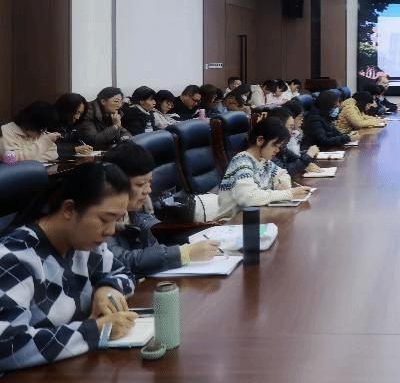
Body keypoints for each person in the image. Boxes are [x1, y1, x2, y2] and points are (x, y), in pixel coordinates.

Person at [0, 163, 138, 370]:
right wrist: (95, 330)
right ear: (69, 209)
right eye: (105, 219)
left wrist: (107, 289)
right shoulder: (14, 257)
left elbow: (123, 272)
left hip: (76, 368)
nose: (110, 231)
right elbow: (7, 344)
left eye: (117, 220)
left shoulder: (84, 243)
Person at [103, 142, 219, 276]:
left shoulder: (136, 210)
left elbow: (152, 245)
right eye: (140, 184)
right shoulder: (102, 216)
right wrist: (185, 253)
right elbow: (122, 261)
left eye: (149, 182)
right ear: (116, 183)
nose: (148, 190)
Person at [216, 117, 312, 220]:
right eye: (275, 145)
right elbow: (248, 198)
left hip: (254, 219)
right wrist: (288, 193)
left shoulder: (264, 161)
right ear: (260, 140)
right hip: (231, 222)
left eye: (279, 146)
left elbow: (283, 173)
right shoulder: (241, 162)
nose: (277, 150)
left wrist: (282, 183)